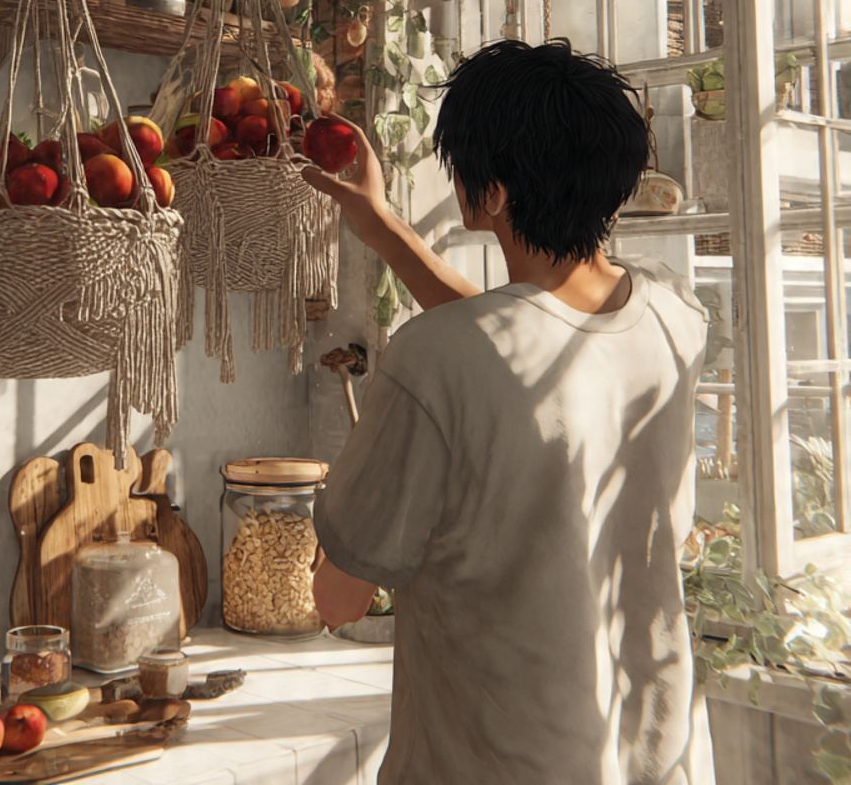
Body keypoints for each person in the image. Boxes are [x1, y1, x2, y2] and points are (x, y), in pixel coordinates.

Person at [303, 39, 714, 785]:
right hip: (658, 756)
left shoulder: (434, 359)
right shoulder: (673, 312)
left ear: (481, 194)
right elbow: (527, 345)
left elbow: (338, 599)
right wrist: (380, 225)